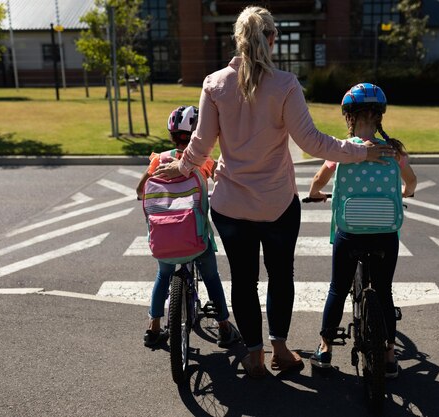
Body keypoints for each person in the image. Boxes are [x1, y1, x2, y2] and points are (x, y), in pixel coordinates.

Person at [153, 7, 396, 379]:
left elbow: (200, 144)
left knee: (244, 280)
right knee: (281, 277)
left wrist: (182, 167)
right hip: (278, 205)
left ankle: (254, 356)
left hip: (231, 206)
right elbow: (313, 142)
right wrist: (362, 151)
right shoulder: (285, 84)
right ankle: (280, 348)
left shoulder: (215, 83)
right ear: (271, 39)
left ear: (238, 39)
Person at [307, 83, 417, 378]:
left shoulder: (344, 151)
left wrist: (316, 192)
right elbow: (412, 182)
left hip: (350, 230)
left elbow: (320, 178)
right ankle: (390, 355)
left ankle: (325, 348)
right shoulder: (393, 151)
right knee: (384, 291)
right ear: (379, 116)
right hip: (385, 231)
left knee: (337, 288)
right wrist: (405, 192)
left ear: (349, 118)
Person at [136, 105, 241, 350]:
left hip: (164, 239)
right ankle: (224, 327)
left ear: (171, 135)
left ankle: (153, 328)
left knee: (163, 275)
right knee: (211, 277)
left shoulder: (159, 160)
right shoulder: (203, 162)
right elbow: (223, 183)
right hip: (196, 238)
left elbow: (141, 191)